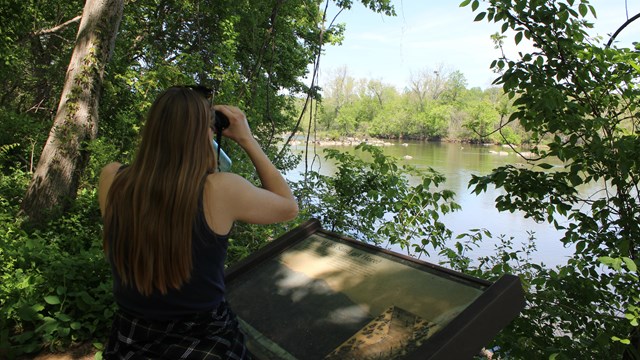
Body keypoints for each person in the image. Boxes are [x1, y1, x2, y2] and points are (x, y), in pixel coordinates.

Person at [98, 86, 298, 359]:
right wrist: (247, 140)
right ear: (203, 133)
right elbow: (288, 207)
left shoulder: (112, 178)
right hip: (205, 339)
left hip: (132, 335)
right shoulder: (219, 190)